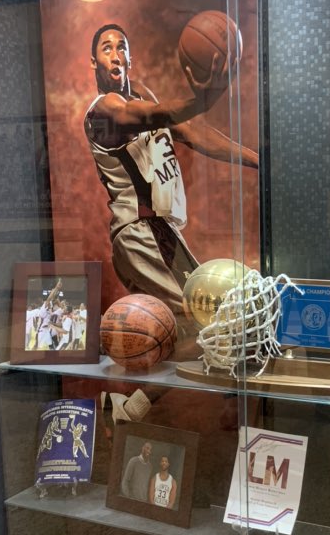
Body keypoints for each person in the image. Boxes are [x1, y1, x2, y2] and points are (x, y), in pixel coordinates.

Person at [84, 23, 258, 323]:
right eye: (107, 48)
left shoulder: (139, 93)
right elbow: (151, 115)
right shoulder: (103, 110)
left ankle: (143, 350)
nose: (116, 54)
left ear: (130, 58)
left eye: (122, 47)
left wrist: (258, 159)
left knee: (209, 314)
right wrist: (199, 101)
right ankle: (131, 350)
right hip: (137, 233)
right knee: (202, 320)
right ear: (94, 62)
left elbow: (191, 132)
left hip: (160, 228)